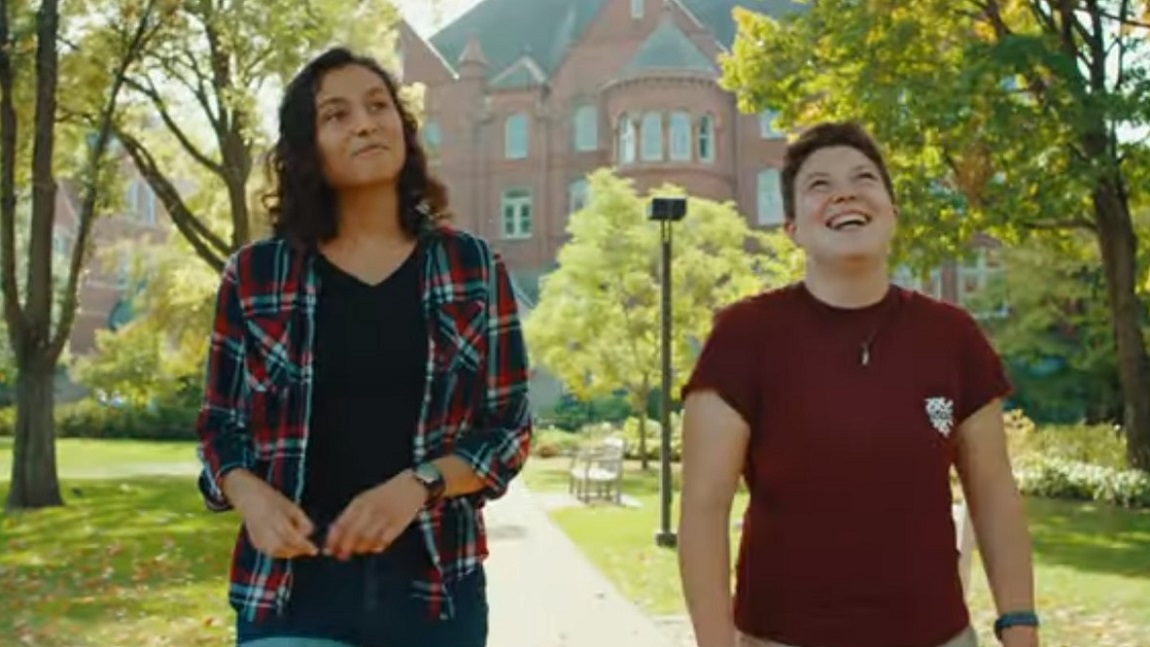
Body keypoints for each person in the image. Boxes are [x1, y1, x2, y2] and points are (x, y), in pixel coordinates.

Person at [193, 47, 532, 647]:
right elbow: (220, 425)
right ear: (307, 149)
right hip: (290, 595)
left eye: (379, 107)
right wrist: (249, 496)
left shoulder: (472, 267)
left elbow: (507, 431)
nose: (366, 123)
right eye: (337, 115)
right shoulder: (254, 276)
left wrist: (419, 483)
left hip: (434, 597)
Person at [676, 122, 1039, 647]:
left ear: (892, 212)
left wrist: (1019, 625)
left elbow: (994, 492)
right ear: (793, 228)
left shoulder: (953, 336)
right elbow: (704, 509)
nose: (844, 191)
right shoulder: (743, 337)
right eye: (819, 185)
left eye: (864, 177)